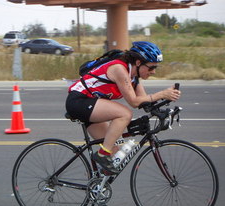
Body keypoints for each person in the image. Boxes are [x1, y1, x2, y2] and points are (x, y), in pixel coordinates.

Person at [65, 41, 181, 175]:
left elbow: (144, 101)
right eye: (151, 67)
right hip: (79, 101)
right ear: (138, 63)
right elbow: (133, 101)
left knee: (115, 152)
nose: (153, 72)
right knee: (125, 114)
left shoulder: (134, 77)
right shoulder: (119, 69)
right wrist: (161, 94)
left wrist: (162, 108)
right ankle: (102, 154)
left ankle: (97, 188)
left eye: (156, 68)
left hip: (92, 105)